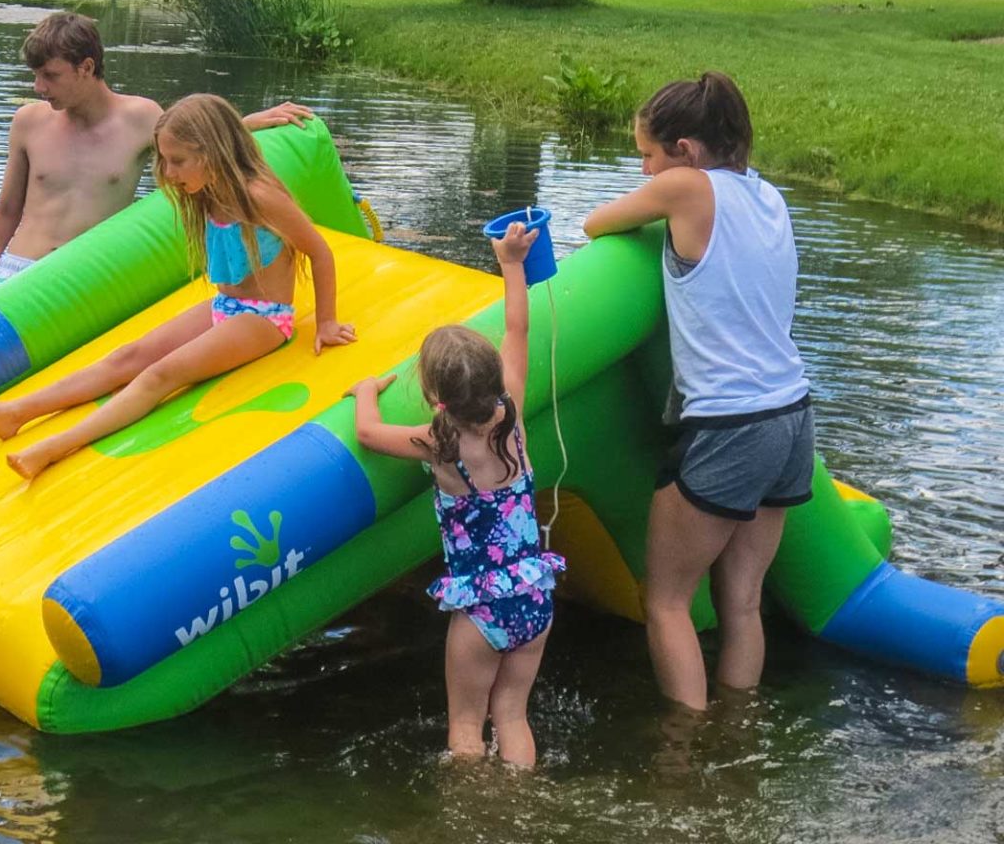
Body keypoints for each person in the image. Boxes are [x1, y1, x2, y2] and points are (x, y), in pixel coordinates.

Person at [0, 92, 356, 480]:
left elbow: (319, 252)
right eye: (164, 159)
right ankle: (15, 412)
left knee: (160, 374)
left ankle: (56, 447)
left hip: (266, 320)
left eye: (177, 161)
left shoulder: (258, 196)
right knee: (127, 357)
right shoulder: (208, 188)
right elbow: (221, 138)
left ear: (210, 153)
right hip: (225, 307)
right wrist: (244, 124)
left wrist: (326, 323)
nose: (169, 172)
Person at [583, 72, 812, 712]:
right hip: (791, 414)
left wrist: (656, 197)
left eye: (647, 155)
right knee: (741, 600)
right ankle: (735, 736)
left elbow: (596, 223)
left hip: (728, 423)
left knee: (666, 601)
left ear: (685, 150)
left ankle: (683, 761)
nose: (644, 168)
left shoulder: (684, 188)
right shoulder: (770, 197)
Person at [347, 222, 565, 767]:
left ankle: (470, 817)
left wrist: (365, 393)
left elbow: (369, 435)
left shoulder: (438, 443)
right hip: (534, 594)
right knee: (512, 714)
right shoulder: (511, 418)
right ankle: (520, 800)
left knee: (466, 726)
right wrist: (511, 263)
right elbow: (517, 331)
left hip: (481, 609)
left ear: (433, 396)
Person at [0, 13, 313, 315]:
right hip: (20, 274)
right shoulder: (28, 122)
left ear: (86, 67)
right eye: (36, 75)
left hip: (85, 280)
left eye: (50, 76)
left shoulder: (141, 119)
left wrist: (246, 123)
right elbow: (5, 213)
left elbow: (195, 144)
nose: (39, 87)